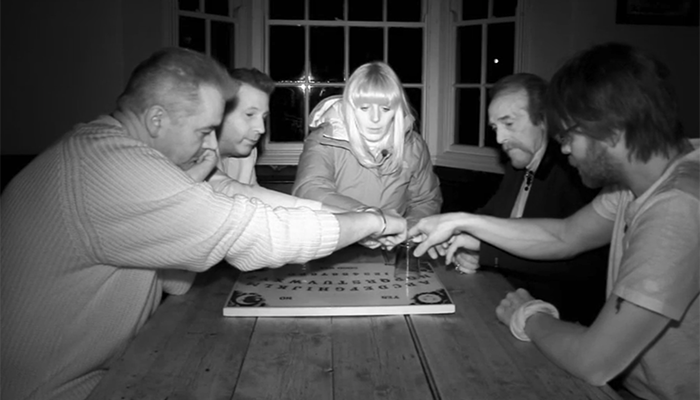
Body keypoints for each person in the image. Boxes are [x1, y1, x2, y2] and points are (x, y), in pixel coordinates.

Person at [0, 48, 406, 400]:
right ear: (156, 120)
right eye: (205, 130)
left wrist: (366, 220)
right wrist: (372, 222)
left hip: (110, 371)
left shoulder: (107, 150)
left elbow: (188, 265)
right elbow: (259, 235)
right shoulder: (107, 166)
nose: (212, 145)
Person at [409, 42, 699, 399]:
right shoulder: (638, 182)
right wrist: (462, 221)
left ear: (611, 130)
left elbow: (595, 361)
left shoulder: (678, 206)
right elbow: (565, 236)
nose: (562, 148)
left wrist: (528, 314)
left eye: (569, 135)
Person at [451, 72, 607, 325]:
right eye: (495, 128)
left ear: (544, 119)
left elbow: (584, 264)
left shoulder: (575, 172)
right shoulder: (519, 165)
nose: (499, 138)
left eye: (509, 123)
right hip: (507, 300)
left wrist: (486, 251)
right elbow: (490, 216)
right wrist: (463, 240)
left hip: (559, 319)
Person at [291, 61, 442, 231]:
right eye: (364, 108)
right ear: (350, 107)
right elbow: (310, 189)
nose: (375, 118)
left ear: (397, 110)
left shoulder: (413, 145)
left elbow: (426, 201)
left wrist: (408, 231)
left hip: (390, 244)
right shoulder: (324, 139)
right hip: (336, 242)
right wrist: (369, 217)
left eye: (385, 108)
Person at [208, 68, 336, 211]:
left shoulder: (246, 153)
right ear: (217, 112)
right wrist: (332, 212)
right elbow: (230, 191)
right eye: (250, 115)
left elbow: (255, 202)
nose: (261, 128)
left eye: (263, 117)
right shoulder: (191, 157)